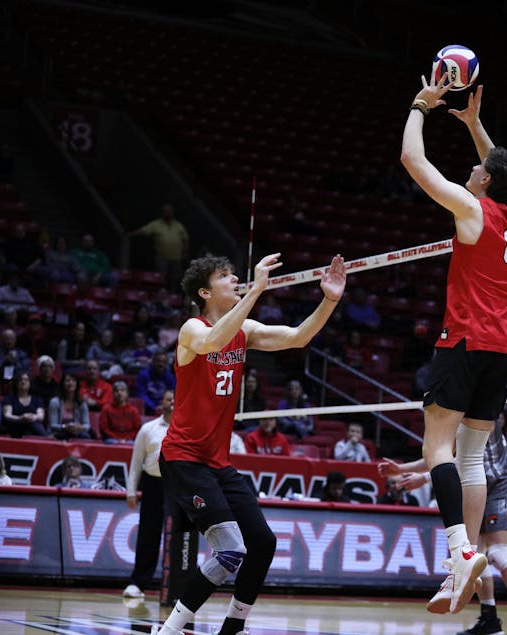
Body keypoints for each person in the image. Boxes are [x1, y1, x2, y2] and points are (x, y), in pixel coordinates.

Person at [154, 251, 345, 635]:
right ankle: (169, 630)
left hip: (218, 462)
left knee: (263, 542)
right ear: (206, 292)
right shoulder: (191, 329)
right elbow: (211, 341)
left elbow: (298, 337)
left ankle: (233, 627)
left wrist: (329, 300)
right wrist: (256, 291)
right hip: (184, 458)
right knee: (230, 549)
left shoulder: (245, 330)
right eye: (225, 277)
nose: (234, 279)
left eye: (234, 275)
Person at [400, 77, 507, 615]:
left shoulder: (473, 211)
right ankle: (463, 566)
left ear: (487, 181)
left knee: (438, 449)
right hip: (502, 350)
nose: (472, 168)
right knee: (473, 458)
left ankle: (459, 548)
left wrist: (421, 107)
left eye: (479, 168)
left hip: (464, 342)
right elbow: (499, 168)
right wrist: (474, 124)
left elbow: (413, 160)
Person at [378, 418, 507, 635]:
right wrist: (401, 469)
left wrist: (424, 479)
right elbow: (442, 454)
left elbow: (467, 460)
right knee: (476, 556)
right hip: (479, 487)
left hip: (502, 485)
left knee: (497, 552)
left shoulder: (482, 415)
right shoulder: (457, 417)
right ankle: (489, 620)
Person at [124, 389, 175, 600]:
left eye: (175, 399)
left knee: (179, 537)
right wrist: (131, 491)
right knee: (148, 536)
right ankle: (138, 583)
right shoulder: (148, 429)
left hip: (177, 486)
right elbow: (136, 463)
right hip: (153, 484)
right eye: (168, 399)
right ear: (161, 403)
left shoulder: (187, 428)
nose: (172, 402)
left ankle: (177, 587)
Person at [128, 203, 190, 292]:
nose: (168, 213)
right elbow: (143, 230)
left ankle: (172, 297)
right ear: (163, 212)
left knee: (175, 278)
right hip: (162, 257)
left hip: (176, 258)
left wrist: (185, 252)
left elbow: (185, 239)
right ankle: (160, 296)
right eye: (166, 211)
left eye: (169, 211)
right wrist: (130, 234)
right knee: (160, 278)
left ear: (173, 212)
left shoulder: (178, 225)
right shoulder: (156, 224)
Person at [1, 371, 47, 437]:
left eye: (26, 380)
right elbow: (7, 415)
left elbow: (40, 416)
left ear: (30, 383)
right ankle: (47, 439)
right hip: (14, 428)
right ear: (16, 383)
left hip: (32, 428)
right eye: (20, 380)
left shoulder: (37, 399)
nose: (23, 382)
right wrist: (20, 418)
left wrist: (32, 417)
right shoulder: (9, 398)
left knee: (33, 424)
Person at [48, 372, 91, 440]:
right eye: (67, 380)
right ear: (63, 384)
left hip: (76, 433)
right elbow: (53, 425)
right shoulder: (55, 402)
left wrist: (80, 427)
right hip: (59, 433)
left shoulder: (82, 403)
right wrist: (65, 427)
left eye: (73, 381)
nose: (70, 383)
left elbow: (87, 425)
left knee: (85, 436)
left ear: (76, 384)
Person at [136, 350, 176, 415]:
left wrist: (163, 406)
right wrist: (154, 407)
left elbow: (173, 394)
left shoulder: (170, 377)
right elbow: (141, 394)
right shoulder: (143, 375)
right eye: (158, 361)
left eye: (164, 362)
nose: (161, 364)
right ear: (153, 361)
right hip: (148, 408)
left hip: (165, 407)